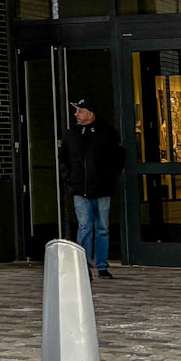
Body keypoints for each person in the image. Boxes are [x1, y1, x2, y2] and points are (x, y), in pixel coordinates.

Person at [60, 98, 126, 277]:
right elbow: (63, 158)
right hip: (79, 188)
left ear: (90, 113)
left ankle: (102, 266)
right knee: (85, 226)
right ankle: (84, 265)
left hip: (102, 188)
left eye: (80, 111)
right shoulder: (71, 134)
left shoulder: (107, 133)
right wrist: (68, 177)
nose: (76, 114)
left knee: (102, 227)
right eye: (76, 111)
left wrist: (108, 174)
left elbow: (119, 156)